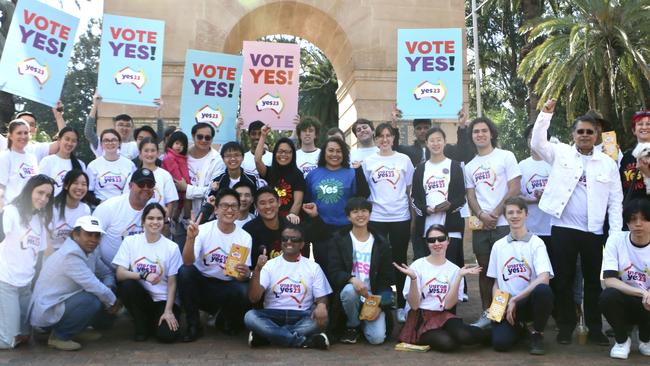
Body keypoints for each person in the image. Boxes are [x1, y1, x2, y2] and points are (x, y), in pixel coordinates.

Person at [532, 100, 623, 345]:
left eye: (589, 132)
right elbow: (537, 143)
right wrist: (545, 115)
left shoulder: (608, 162)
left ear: (597, 136)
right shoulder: (560, 152)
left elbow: (616, 201)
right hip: (563, 228)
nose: (584, 135)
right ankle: (565, 326)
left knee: (595, 282)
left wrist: (614, 234)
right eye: (580, 131)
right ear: (573, 134)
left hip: (594, 231)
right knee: (563, 279)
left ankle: (595, 329)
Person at [30, 215, 119, 351]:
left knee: (99, 293)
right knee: (91, 299)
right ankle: (59, 337)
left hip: (61, 303)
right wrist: (112, 301)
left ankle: (74, 330)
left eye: (97, 236)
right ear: (75, 235)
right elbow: (93, 285)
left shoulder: (90, 251)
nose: (93, 240)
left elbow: (106, 273)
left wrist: (109, 286)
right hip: (46, 315)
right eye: (88, 234)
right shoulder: (70, 255)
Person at [464, 116, 521, 328]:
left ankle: (508, 313)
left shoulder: (506, 156)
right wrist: (481, 215)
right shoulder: (470, 166)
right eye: (476, 131)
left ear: (491, 133)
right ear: (472, 137)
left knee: (507, 269)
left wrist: (496, 213)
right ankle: (488, 314)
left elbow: (514, 187)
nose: (480, 134)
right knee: (485, 270)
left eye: (483, 130)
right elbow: (471, 195)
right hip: (481, 227)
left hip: (504, 223)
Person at [394, 224, 483, 352]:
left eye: (441, 239)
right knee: (448, 343)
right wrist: (413, 279)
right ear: (427, 243)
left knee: (464, 335)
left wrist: (458, 277)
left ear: (448, 240)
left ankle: (489, 335)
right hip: (421, 317)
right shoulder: (417, 266)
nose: (437, 243)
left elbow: (448, 305)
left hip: (444, 315)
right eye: (431, 240)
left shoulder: (455, 270)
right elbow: (414, 305)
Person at [178, 189, 253, 342]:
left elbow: (238, 277)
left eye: (233, 206)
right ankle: (193, 325)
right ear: (216, 209)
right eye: (225, 206)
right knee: (185, 272)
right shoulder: (204, 230)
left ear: (239, 211)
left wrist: (244, 274)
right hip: (202, 283)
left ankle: (224, 318)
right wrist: (190, 239)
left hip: (226, 285)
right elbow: (187, 262)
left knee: (243, 289)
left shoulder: (244, 237)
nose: (229, 210)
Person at [245, 224, 332, 349]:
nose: (289, 242)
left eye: (294, 239)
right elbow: (254, 298)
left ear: (302, 244)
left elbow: (322, 297)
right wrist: (258, 269)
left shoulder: (313, 267)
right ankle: (305, 341)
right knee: (250, 317)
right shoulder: (269, 265)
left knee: (321, 319)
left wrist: (322, 305)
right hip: (272, 314)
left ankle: (269, 337)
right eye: (285, 239)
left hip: (302, 315)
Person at [487, 197, 554, 354]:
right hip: (507, 304)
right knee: (500, 344)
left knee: (544, 291)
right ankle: (521, 328)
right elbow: (496, 283)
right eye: (510, 212)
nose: (515, 216)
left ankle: (537, 333)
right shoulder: (498, 246)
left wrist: (515, 300)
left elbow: (544, 278)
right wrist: (498, 310)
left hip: (526, 302)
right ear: (505, 216)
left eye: (519, 211)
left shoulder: (536, 243)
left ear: (526, 214)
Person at [362, 122, 414, 323]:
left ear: (393, 138)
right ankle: (378, 304)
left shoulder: (404, 160)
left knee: (400, 260)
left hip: (400, 217)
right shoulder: (369, 162)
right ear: (375, 139)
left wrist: (413, 219)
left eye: (388, 135)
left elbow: (409, 191)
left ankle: (401, 304)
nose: (385, 139)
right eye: (381, 136)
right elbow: (365, 191)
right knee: (377, 261)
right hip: (377, 218)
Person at [328, 197, 394, 344]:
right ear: (348, 217)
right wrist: (352, 279)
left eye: (364, 211)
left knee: (377, 339)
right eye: (355, 211)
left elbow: (386, 277)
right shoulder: (339, 239)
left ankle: (364, 321)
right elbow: (333, 271)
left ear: (370, 214)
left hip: (372, 297)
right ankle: (353, 325)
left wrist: (380, 304)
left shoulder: (381, 242)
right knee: (349, 291)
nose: (360, 215)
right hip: (351, 293)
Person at [113, 203, 182, 342]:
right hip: (142, 298)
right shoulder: (130, 242)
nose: (155, 222)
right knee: (127, 284)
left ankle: (156, 321)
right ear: (143, 221)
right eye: (150, 218)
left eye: (159, 218)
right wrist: (143, 275)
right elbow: (120, 273)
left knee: (167, 337)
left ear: (164, 221)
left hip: (163, 300)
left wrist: (168, 311)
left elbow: (172, 283)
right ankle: (141, 324)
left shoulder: (172, 247)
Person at [0, 175, 54, 349]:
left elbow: (39, 256)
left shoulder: (40, 218)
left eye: (48, 196)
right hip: (6, 282)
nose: (43, 198)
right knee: (7, 341)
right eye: (40, 192)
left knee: (24, 336)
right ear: (30, 190)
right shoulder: (11, 211)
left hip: (25, 285)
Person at [304, 137, 369, 268]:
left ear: (344, 153)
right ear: (324, 153)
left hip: (345, 228)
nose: (334, 154)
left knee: (344, 268)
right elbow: (306, 200)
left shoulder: (352, 173)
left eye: (339, 151)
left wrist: (359, 172)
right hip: (320, 229)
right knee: (323, 268)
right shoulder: (313, 175)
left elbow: (363, 196)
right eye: (331, 150)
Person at [599, 198, 650, 359]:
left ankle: (646, 340)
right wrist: (642, 293)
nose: (638, 224)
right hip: (627, 300)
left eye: (643, 219)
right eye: (633, 219)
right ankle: (622, 340)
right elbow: (609, 280)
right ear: (626, 222)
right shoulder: (616, 240)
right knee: (607, 296)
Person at [411, 127, 466, 263]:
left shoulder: (455, 166)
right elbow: (414, 198)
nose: (435, 144)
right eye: (432, 141)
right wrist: (425, 209)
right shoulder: (420, 169)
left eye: (439, 140)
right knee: (427, 272)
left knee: (453, 270)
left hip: (451, 229)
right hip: (426, 230)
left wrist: (450, 206)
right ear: (427, 143)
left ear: (445, 142)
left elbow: (462, 197)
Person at [93, 168, 155, 269]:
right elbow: (90, 240)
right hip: (109, 270)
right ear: (130, 186)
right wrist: (104, 274)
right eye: (141, 184)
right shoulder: (109, 207)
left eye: (150, 185)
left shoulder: (154, 209)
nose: (146, 188)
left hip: (143, 269)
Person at [84, 94, 163, 159]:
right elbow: (88, 132)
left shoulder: (135, 146)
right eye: (121, 125)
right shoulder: (103, 143)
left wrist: (158, 112)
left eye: (128, 126)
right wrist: (95, 106)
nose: (124, 128)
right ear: (114, 126)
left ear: (132, 128)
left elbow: (159, 137)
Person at [255, 127, 305, 223]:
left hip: (288, 220)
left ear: (292, 154)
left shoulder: (297, 175)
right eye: (280, 151)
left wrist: (290, 219)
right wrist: (263, 136)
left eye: (287, 152)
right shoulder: (269, 171)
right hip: (269, 218)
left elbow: (297, 202)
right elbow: (257, 160)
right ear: (275, 153)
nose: (283, 155)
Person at [125, 138, 178, 217]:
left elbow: (170, 202)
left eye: (153, 151)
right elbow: (126, 199)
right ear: (140, 153)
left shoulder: (165, 175)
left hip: (157, 222)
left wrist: (166, 220)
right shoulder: (133, 175)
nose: (149, 154)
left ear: (158, 153)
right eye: (146, 151)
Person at [518, 124, 552, 247]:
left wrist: (546, 196)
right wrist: (533, 200)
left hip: (554, 228)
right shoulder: (521, 166)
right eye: (530, 137)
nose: (534, 140)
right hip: (530, 229)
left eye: (538, 136)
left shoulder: (555, 163)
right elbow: (516, 195)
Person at [86, 129, 137, 204]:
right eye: (106, 140)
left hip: (123, 206)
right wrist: (99, 202)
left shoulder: (130, 165)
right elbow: (88, 192)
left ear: (119, 143)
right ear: (101, 144)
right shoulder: (93, 165)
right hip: (100, 207)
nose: (110, 143)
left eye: (114, 140)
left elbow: (134, 189)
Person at [49, 170, 91, 252]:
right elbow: (45, 238)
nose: (80, 187)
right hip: (51, 251)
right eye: (75, 183)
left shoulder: (85, 209)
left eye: (84, 184)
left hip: (72, 252)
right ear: (66, 186)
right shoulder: (53, 207)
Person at [0, 119, 40, 204]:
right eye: (19, 133)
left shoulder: (32, 158)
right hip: (10, 208)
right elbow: (1, 186)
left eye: (26, 133)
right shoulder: (5, 156)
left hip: (28, 209)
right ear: (10, 136)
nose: (23, 136)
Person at [38, 127, 86, 197]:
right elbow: (40, 186)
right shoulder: (47, 161)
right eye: (67, 139)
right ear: (59, 140)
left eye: (73, 141)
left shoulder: (81, 165)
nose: (70, 143)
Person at [620, 110, 650, 202]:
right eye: (640, 124)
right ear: (634, 130)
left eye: (648, 124)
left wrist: (647, 172)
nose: (644, 127)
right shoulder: (626, 157)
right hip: (632, 211)